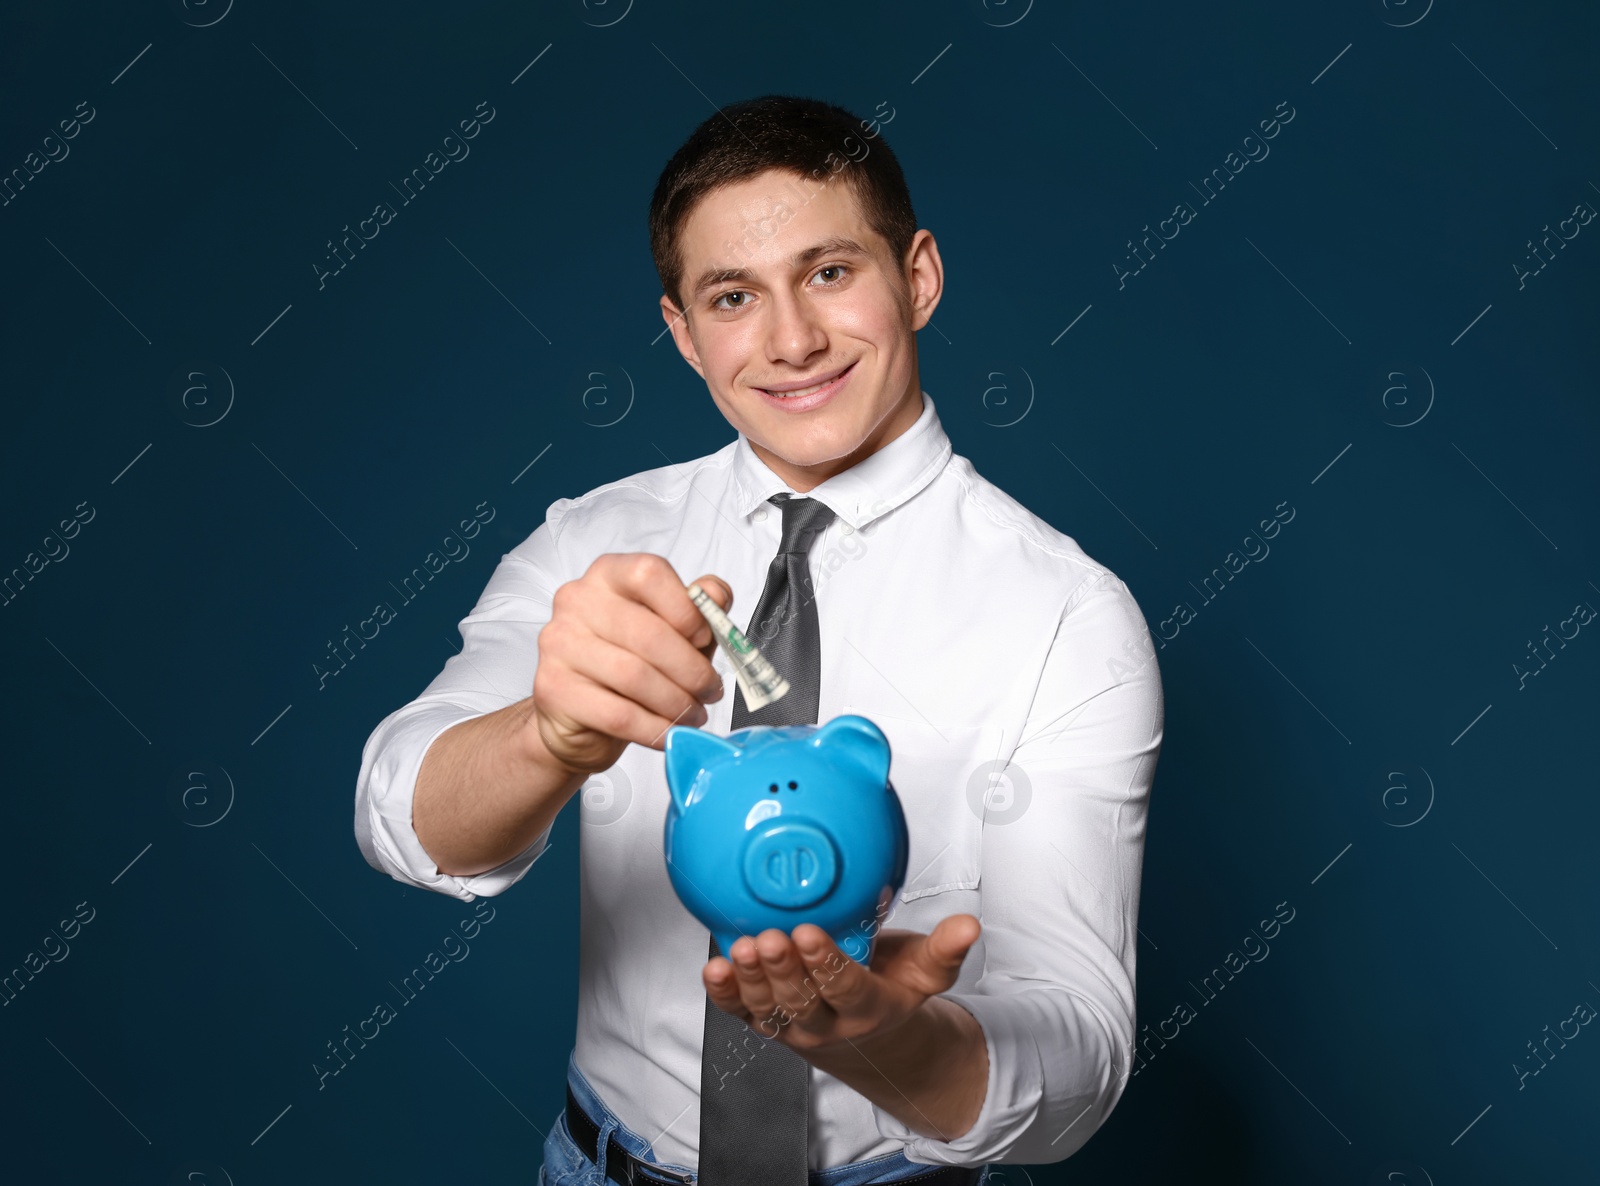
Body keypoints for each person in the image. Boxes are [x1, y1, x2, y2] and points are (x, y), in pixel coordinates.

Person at [355, 94, 1163, 1185]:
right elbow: (402, 818)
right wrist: (549, 737)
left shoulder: (1065, 612)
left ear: (915, 276)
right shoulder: (596, 546)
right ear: (685, 333)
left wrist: (879, 1035)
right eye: (733, 296)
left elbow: (1081, 1049)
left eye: (830, 273)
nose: (791, 340)